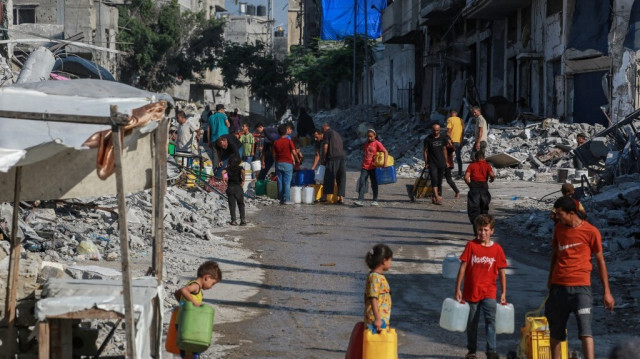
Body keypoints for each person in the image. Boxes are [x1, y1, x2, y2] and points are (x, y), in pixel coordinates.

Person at [546, 196, 615, 359]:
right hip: (558, 287)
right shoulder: (559, 229)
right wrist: (550, 280)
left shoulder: (591, 232)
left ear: (571, 213)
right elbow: (555, 256)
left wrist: (607, 292)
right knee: (556, 333)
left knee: (585, 331)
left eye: (559, 214)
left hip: (581, 289)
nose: (557, 217)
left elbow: (600, 261)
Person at [455, 214, 507, 359]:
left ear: (492, 231)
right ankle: (471, 351)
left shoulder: (497, 249)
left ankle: (491, 351)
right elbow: (463, 268)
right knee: (472, 323)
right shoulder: (471, 246)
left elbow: (502, 272)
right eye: (479, 230)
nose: (482, 233)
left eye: (485, 230)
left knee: (491, 321)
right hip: (471, 292)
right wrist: (458, 288)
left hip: (489, 292)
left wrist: (503, 292)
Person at [173, 261, 222, 359]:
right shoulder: (196, 286)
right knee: (191, 349)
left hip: (182, 321)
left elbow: (177, 293)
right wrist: (194, 303)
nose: (211, 287)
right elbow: (183, 290)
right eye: (212, 284)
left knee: (187, 350)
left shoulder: (192, 284)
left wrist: (183, 305)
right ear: (207, 277)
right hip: (187, 324)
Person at [464, 151, 495, 235]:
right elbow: (492, 175)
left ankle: (477, 232)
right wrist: (491, 180)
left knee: (474, 212)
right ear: (484, 158)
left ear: (475, 158)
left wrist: (469, 185)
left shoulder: (472, 165)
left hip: (474, 190)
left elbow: (466, 177)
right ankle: (484, 232)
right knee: (484, 211)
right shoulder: (487, 165)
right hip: (484, 190)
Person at [364, 244, 393, 333]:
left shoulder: (376, 276)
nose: (391, 263)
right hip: (377, 320)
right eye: (390, 260)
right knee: (376, 342)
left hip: (380, 318)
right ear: (384, 261)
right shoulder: (375, 278)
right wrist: (377, 319)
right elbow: (373, 298)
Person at [355, 129, 388, 207]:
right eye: (368, 137)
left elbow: (385, 152)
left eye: (371, 136)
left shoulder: (377, 143)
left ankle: (375, 200)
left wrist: (385, 163)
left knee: (374, 183)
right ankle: (360, 200)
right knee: (362, 181)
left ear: (375, 136)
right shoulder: (367, 144)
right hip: (365, 166)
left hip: (373, 167)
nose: (369, 138)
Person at [423, 123, 450, 205]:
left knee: (439, 180)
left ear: (440, 130)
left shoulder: (443, 138)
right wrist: (426, 162)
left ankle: (436, 197)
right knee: (434, 179)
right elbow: (425, 152)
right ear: (432, 130)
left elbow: (445, 149)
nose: (436, 132)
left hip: (441, 162)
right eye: (434, 130)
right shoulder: (428, 139)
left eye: (437, 130)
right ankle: (437, 197)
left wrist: (446, 161)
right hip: (432, 162)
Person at [321, 123, 347, 204]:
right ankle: (341, 198)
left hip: (333, 157)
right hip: (342, 157)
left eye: (322, 130)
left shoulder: (327, 133)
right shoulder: (337, 133)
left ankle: (325, 197)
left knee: (329, 176)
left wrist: (324, 157)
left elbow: (325, 147)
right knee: (341, 178)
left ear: (324, 128)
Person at [272, 124, 297, 205]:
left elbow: (274, 154)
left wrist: (276, 160)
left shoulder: (276, 142)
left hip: (279, 163)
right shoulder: (289, 141)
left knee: (280, 181)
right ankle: (287, 200)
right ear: (286, 132)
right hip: (288, 163)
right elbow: (293, 152)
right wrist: (297, 160)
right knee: (287, 182)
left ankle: (281, 199)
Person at [222, 154, 246, 226]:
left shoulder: (227, 169)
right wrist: (243, 180)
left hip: (230, 188)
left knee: (232, 205)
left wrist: (225, 180)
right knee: (241, 204)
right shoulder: (240, 168)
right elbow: (243, 172)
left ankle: (233, 220)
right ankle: (243, 220)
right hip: (238, 187)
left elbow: (223, 172)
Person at [446, 109, 465, 178]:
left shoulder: (450, 119)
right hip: (459, 141)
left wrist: (448, 140)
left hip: (452, 141)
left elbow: (449, 130)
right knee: (458, 157)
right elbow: (463, 132)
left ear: (451, 113)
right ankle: (459, 174)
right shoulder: (461, 120)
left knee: (448, 157)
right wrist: (462, 140)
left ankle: (447, 173)